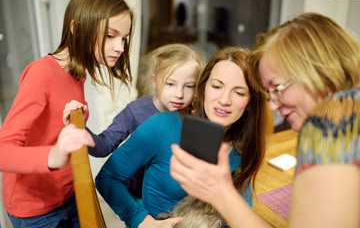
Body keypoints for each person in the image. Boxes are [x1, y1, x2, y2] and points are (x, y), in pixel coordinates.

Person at [170, 12, 360, 228]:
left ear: (315, 72)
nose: (273, 106)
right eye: (270, 94)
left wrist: (221, 194)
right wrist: (221, 193)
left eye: (278, 88)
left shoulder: (332, 125)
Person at [0, 0, 134, 227]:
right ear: (78, 28)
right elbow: (3, 151)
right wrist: (53, 155)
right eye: (111, 36)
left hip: (68, 194)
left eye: (124, 38)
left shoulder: (78, 72)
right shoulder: (41, 72)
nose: (120, 48)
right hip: (35, 209)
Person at [95, 46, 268, 228]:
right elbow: (107, 178)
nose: (225, 100)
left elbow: (238, 212)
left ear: (250, 102)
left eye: (239, 92)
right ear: (203, 88)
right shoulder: (161, 126)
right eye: (217, 86)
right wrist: (142, 221)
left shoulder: (246, 145)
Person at [63, 43, 204, 200]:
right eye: (170, 84)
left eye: (189, 86)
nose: (179, 94)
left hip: (180, 197)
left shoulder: (196, 114)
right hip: (140, 197)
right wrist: (82, 129)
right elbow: (104, 145)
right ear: (155, 81)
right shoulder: (136, 111)